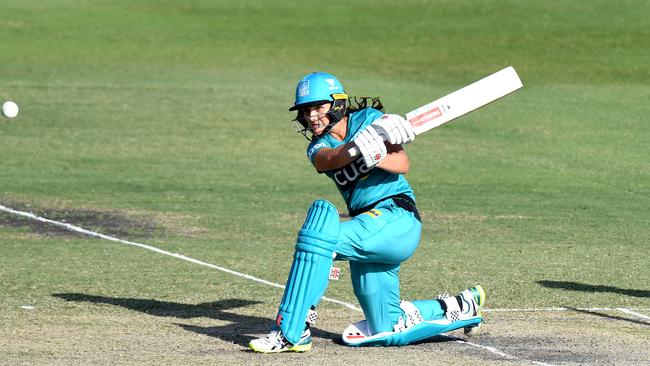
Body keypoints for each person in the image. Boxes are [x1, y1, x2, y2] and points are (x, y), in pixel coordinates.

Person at [249, 72, 485, 353]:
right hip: (369, 228)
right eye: (306, 110)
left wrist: (379, 149)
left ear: (337, 105)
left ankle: (291, 330)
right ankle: (459, 305)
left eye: (318, 108)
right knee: (386, 326)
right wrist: (357, 148)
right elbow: (330, 160)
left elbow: (402, 164)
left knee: (319, 236)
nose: (311, 116)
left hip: (396, 217)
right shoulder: (318, 146)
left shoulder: (367, 120)